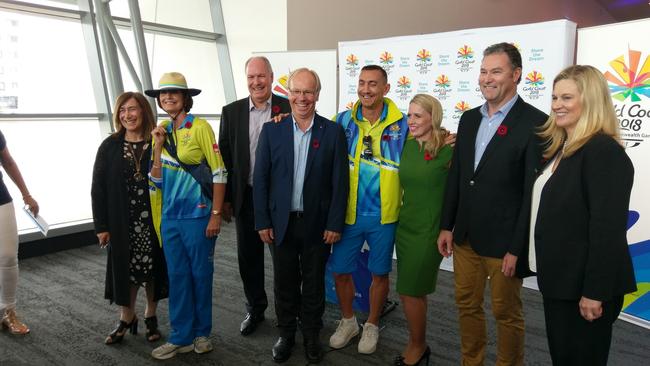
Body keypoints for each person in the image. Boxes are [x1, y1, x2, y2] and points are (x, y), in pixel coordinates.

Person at [437, 42, 547, 366]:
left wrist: (517, 247)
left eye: (495, 71)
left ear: (516, 75)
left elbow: (531, 194)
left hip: (504, 245)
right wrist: (447, 224)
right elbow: (458, 176)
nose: (487, 78)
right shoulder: (469, 119)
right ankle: (472, 361)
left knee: (506, 313)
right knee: (466, 305)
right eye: (483, 71)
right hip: (466, 237)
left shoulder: (535, 123)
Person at [532, 65, 636, 366]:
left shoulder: (603, 152)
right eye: (554, 97)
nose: (556, 105)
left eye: (566, 97)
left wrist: (595, 292)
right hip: (562, 283)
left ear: (590, 101)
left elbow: (608, 230)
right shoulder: (564, 147)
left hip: (585, 290)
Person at [254, 68, 348, 363]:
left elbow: (340, 182)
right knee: (284, 282)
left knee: (314, 282)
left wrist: (334, 223)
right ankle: (286, 334)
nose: (302, 98)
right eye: (297, 91)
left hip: (317, 224)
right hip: (280, 223)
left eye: (308, 92)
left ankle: (310, 334)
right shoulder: (272, 130)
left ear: (317, 95)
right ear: (288, 94)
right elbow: (261, 179)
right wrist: (262, 220)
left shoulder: (332, 131)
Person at [145, 72, 227, 360]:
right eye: (163, 94)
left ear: (185, 98)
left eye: (173, 94)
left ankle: (203, 333)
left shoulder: (200, 127)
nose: (167, 98)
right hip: (170, 218)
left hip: (199, 215)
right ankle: (180, 335)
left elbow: (219, 172)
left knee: (201, 274)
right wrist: (156, 146)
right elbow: (156, 180)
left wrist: (216, 214)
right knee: (178, 276)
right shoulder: (162, 130)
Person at [329, 65, 409, 354]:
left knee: (379, 274)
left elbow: (428, 143)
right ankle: (349, 321)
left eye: (373, 84)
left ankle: (372, 323)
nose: (366, 89)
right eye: (362, 83)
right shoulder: (341, 121)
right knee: (340, 271)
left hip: (384, 216)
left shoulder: (404, 124)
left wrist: (446, 141)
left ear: (386, 89)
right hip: (348, 215)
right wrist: (285, 118)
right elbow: (313, 134)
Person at [219, 56, 291, 336]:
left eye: (261, 76)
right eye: (251, 77)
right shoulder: (231, 111)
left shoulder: (289, 107)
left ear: (272, 77)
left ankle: (288, 313)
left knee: (283, 260)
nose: (256, 82)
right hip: (246, 197)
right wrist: (225, 199)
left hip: (280, 200)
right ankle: (256, 309)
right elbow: (224, 156)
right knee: (248, 259)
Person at [91, 92, 169, 345]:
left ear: (144, 111)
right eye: (122, 110)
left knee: (152, 268)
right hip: (122, 222)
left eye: (132, 109)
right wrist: (101, 226)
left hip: (153, 220)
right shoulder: (110, 146)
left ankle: (151, 315)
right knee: (127, 269)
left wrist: (157, 148)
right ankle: (126, 317)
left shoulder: (158, 141)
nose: (127, 115)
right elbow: (98, 188)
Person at [394, 94, 453, 366]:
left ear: (433, 117)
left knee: (408, 290)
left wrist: (448, 227)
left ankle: (418, 345)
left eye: (418, 115)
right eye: (409, 115)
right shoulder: (405, 146)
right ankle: (417, 340)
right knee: (414, 291)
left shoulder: (450, 147)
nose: (412, 121)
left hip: (430, 231)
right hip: (405, 226)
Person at [0, 130, 38, 335]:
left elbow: (8, 162)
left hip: (1, 201)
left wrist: (26, 195)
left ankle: (9, 312)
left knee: (7, 257)